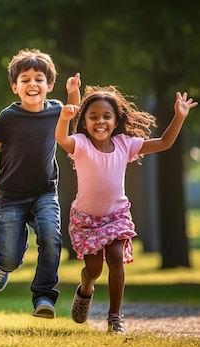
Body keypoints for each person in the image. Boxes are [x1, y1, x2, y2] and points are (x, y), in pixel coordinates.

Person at [55, 85, 197, 333]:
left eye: (106, 116)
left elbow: (164, 142)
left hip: (117, 215)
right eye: (93, 117)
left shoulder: (124, 144)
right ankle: (86, 288)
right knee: (93, 269)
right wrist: (65, 117)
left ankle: (115, 317)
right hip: (86, 219)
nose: (100, 121)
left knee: (115, 258)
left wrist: (179, 116)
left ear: (116, 119)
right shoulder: (80, 144)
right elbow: (61, 139)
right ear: (85, 122)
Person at [0, 48, 81, 319]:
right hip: (10, 195)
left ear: (49, 85)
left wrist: (73, 91)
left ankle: (44, 296)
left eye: (39, 79)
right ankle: (3, 263)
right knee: (12, 256)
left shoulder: (57, 111)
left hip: (44, 191)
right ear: (15, 87)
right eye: (25, 79)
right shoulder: (8, 116)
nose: (32, 84)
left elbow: (74, 114)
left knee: (51, 238)